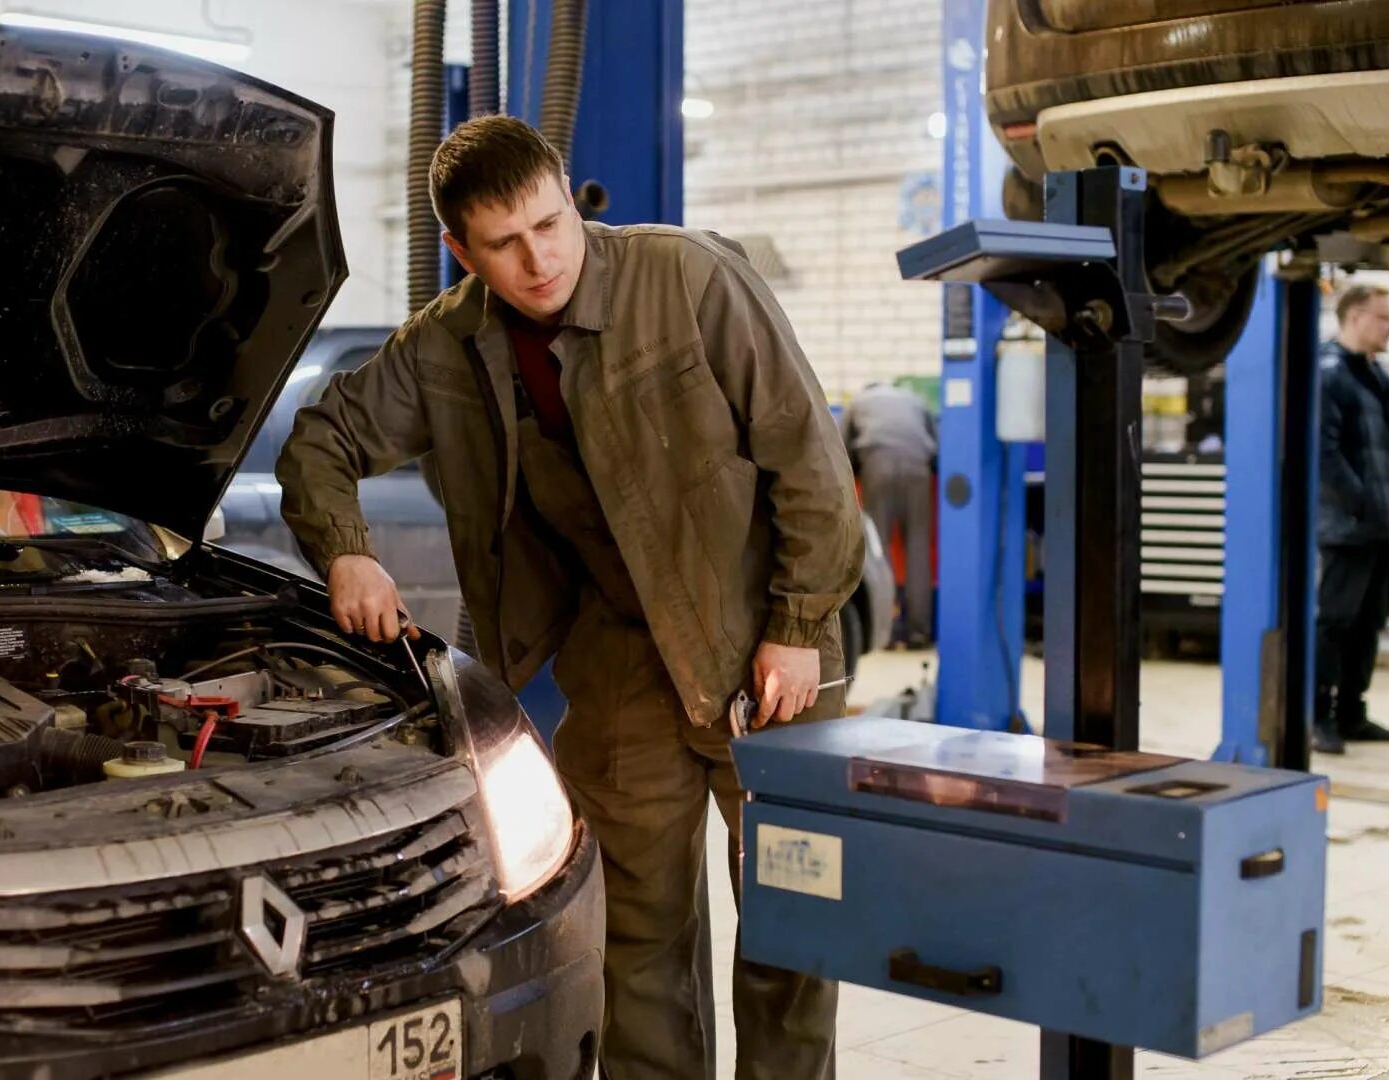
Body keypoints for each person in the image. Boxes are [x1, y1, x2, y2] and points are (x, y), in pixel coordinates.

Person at [276, 116, 862, 1080]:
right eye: (503, 244)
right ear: (461, 251)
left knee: (793, 935)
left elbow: (809, 458)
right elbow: (320, 441)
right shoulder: (445, 349)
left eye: (550, 224)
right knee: (636, 938)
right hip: (622, 663)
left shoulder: (688, 279)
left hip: (764, 649)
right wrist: (347, 552)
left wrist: (799, 628)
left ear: (569, 195)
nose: (540, 258)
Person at [1314, 283, 1389, 755]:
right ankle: (1318, 717)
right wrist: (1362, 506)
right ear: (1354, 317)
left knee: (1367, 624)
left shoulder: (1378, 374)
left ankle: (1352, 713)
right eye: (1383, 317)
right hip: (1348, 528)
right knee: (1335, 623)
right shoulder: (1330, 372)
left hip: (1380, 527)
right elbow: (1325, 454)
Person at [841, 382, 937, 646]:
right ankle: (919, 631)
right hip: (918, 468)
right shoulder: (915, 399)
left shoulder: (858, 403)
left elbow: (840, 452)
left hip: (877, 466)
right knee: (917, 549)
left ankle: (885, 632)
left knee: (878, 550)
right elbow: (937, 447)